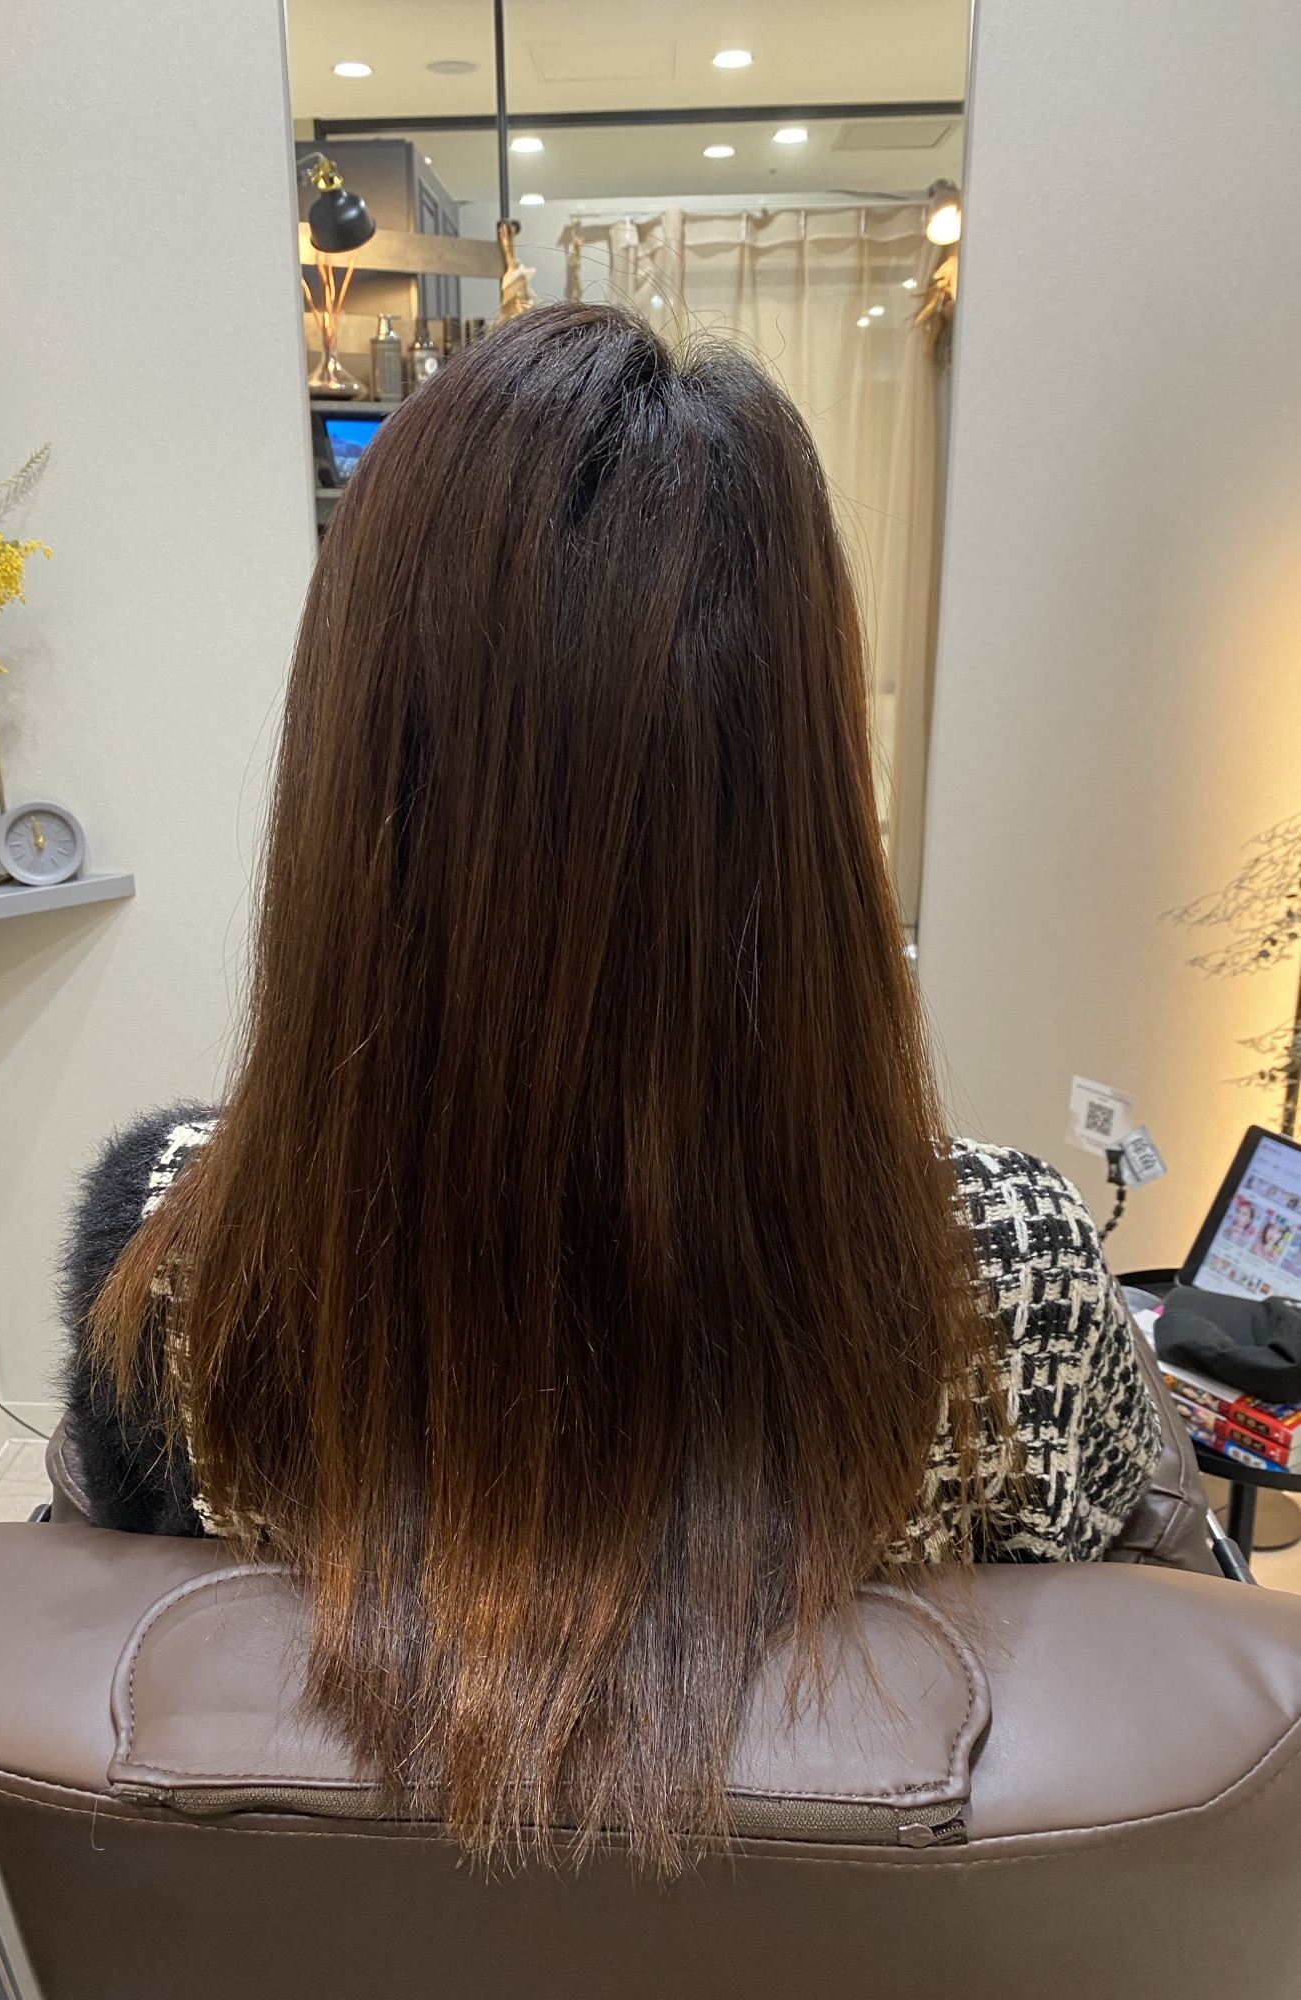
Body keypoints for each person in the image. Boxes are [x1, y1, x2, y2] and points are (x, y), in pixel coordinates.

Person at [64, 304, 1163, 1873]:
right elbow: (1161, 1707)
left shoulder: (184, 1257)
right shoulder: (1015, 1273)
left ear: (353, 781)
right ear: (807, 795)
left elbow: (118, 1667)